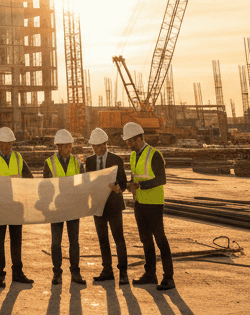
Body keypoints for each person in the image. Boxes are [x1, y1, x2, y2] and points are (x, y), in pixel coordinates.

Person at [123, 122, 174, 290]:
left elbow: (162, 179)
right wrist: (128, 185)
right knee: (146, 240)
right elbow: (135, 177)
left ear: (139, 138)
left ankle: (168, 278)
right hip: (139, 203)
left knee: (160, 239)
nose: (128, 144)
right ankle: (150, 274)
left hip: (154, 203)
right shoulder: (132, 156)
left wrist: (141, 186)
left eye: (130, 141)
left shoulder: (154, 154)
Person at [0, 126, 33, 287]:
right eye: (3, 144)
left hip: (16, 207)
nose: (6, 147)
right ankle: (0, 274)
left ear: (12, 143)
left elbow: (29, 179)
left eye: (9, 144)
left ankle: (17, 272)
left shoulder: (18, 158)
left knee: (16, 240)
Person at [85, 127, 129, 284]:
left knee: (119, 238)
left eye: (97, 146)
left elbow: (123, 183)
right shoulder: (89, 161)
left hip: (114, 206)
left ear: (104, 145)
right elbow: (87, 183)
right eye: (93, 146)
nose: (95, 149)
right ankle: (107, 270)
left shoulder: (116, 160)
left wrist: (117, 187)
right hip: (98, 207)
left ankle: (123, 272)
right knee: (102, 239)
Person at [43, 129, 85, 286]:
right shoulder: (49, 163)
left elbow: (83, 182)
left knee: (74, 242)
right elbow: (45, 188)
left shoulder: (77, 162)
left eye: (70, 145)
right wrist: (46, 206)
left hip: (73, 208)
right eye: (66, 146)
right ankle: (57, 273)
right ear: (59, 147)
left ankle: (75, 272)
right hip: (56, 209)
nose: (69, 148)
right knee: (56, 243)